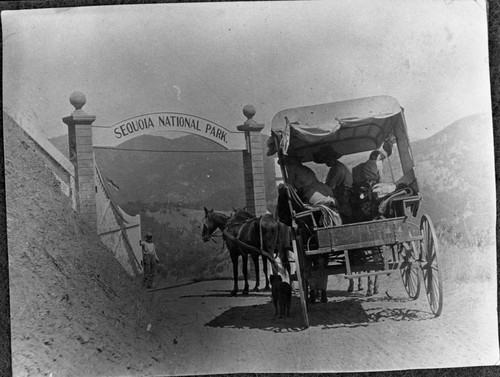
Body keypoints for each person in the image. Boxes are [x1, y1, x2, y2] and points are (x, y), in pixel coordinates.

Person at [313, 145, 354, 223]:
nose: (326, 162)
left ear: (332, 158)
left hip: (343, 199)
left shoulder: (337, 169)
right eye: (325, 160)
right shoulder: (337, 167)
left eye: (327, 159)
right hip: (343, 197)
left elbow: (330, 187)